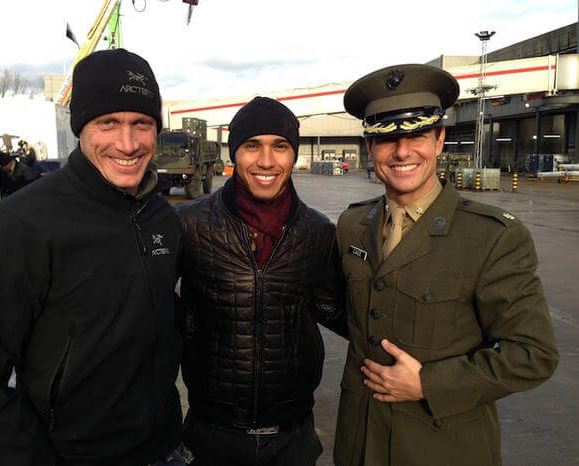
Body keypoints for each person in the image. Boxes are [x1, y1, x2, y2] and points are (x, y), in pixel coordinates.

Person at [0, 49, 186, 466]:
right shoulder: (16, 227)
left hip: (164, 448)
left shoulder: (159, 217)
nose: (128, 143)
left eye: (142, 124)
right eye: (108, 123)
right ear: (80, 127)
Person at [334, 64, 559, 466]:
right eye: (386, 138)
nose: (402, 152)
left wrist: (427, 383)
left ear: (439, 140)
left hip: (441, 449)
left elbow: (533, 353)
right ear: (370, 148)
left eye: (417, 134)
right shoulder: (352, 225)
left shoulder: (491, 237)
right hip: (358, 444)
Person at [176, 96, 347, 466]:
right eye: (252, 146)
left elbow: (339, 310)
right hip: (211, 436)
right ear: (234, 153)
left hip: (292, 439)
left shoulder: (317, 232)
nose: (266, 161)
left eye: (280, 147)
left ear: (293, 154)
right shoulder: (190, 225)